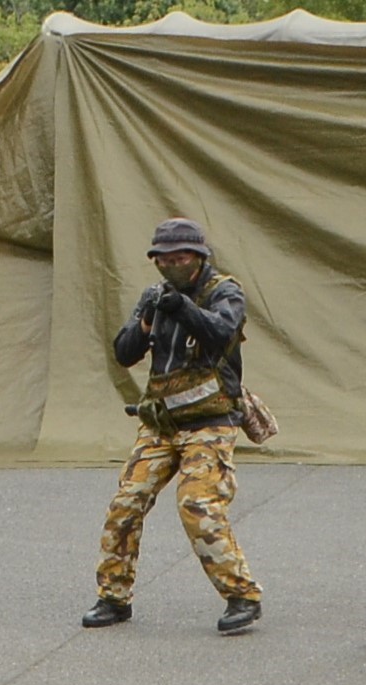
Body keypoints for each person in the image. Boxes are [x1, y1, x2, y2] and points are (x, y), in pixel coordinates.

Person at [85, 217, 263, 635]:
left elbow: (221, 331)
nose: (172, 265)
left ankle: (242, 595)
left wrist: (182, 308)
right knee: (126, 503)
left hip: (209, 423)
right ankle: (113, 596)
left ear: (199, 257)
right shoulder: (156, 296)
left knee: (198, 504)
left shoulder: (224, 291)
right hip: (161, 425)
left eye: (181, 257)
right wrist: (147, 319)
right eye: (163, 259)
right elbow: (125, 352)